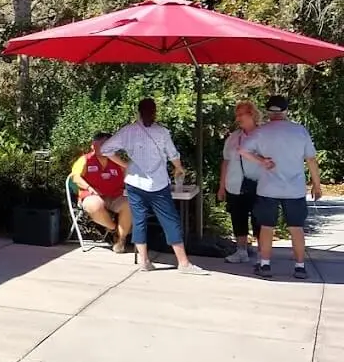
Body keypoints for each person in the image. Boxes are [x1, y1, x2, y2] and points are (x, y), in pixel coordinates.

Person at [102, 98, 208, 274]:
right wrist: (179, 168)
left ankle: (144, 261)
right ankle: (183, 262)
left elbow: (105, 149)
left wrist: (125, 164)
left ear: (138, 112)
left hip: (134, 182)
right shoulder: (162, 132)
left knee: (139, 220)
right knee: (170, 220)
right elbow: (173, 154)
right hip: (158, 183)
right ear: (155, 112)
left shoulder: (128, 131)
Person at [239, 95, 322, 279]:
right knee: (296, 228)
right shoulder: (299, 131)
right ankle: (300, 267)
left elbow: (243, 150)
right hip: (295, 188)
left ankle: (265, 264)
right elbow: (311, 159)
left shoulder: (261, 131)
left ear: (268, 112)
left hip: (268, 187)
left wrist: (261, 161)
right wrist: (316, 185)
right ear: (286, 111)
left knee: (267, 227)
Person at [70, 132, 131, 253]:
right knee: (94, 205)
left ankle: (120, 240)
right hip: (93, 196)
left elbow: (128, 177)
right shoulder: (85, 160)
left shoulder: (117, 161)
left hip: (115, 196)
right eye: (102, 144)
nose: (106, 147)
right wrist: (88, 187)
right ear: (93, 145)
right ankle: (114, 229)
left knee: (130, 204)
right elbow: (75, 177)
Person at [218, 101, 262, 264]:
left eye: (241, 114)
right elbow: (226, 161)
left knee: (259, 219)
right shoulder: (233, 137)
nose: (238, 118)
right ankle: (241, 251)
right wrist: (222, 186)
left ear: (252, 114)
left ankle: (262, 254)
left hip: (258, 184)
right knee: (238, 218)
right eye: (237, 115)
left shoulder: (263, 135)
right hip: (234, 184)